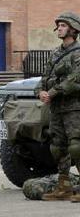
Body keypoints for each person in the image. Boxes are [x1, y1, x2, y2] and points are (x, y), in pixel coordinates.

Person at [35, 12, 80, 202]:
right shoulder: (55, 53)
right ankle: (64, 186)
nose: (59, 29)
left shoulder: (78, 53)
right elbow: (44, 78)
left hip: (74, 107)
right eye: (59, 26)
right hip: (57, 108)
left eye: (63, 25)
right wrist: (40, 91)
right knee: (57, 147)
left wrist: (52, 92)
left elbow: (74, 79)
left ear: (73, 29)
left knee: (76, 146)